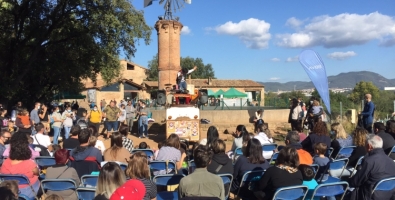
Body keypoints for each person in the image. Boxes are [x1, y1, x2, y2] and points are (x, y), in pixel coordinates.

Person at [348, 134, 395, 200]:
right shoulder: (391, 161)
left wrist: (348, 180)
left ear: (369, 146)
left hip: (371, 195)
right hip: (388, 195)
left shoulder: (369, 161)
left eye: (365, 145)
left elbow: (356, 181)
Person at [0, 132, 40, 199]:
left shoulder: (5, 163)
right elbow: (37, 173)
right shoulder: (29, 164)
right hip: (27, 192)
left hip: (8, 192)